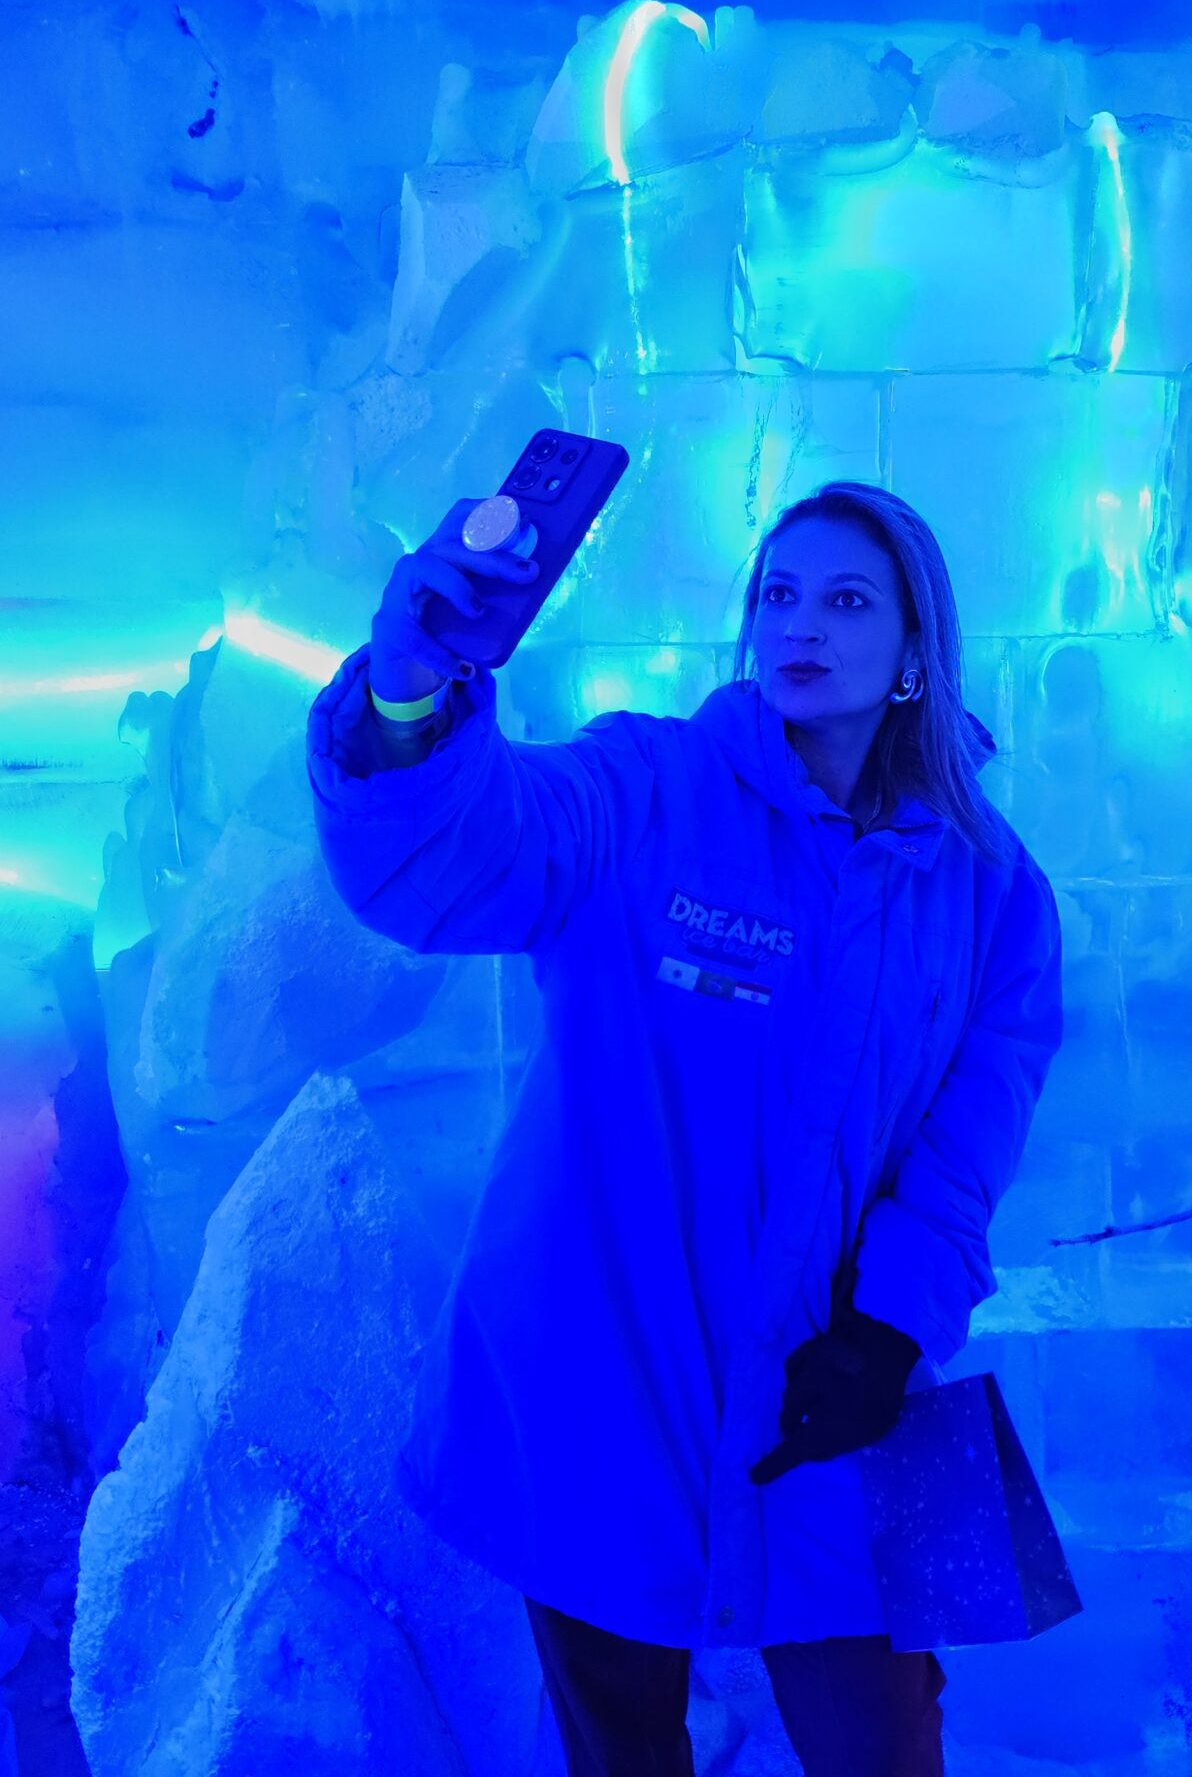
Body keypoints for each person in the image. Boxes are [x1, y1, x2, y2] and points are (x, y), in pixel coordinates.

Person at [308, 479, 1064, 1776]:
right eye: (777, 592)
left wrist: (892, 1330)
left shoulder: (996, 889)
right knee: (618, 1751)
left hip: (852, 1383)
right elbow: (453, 862)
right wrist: (404, 696)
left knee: (891, 1747)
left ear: (914, 651)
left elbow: (966, 1147)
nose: (800, 624)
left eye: (844, 598)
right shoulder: (644, 790)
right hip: (603, 1379)